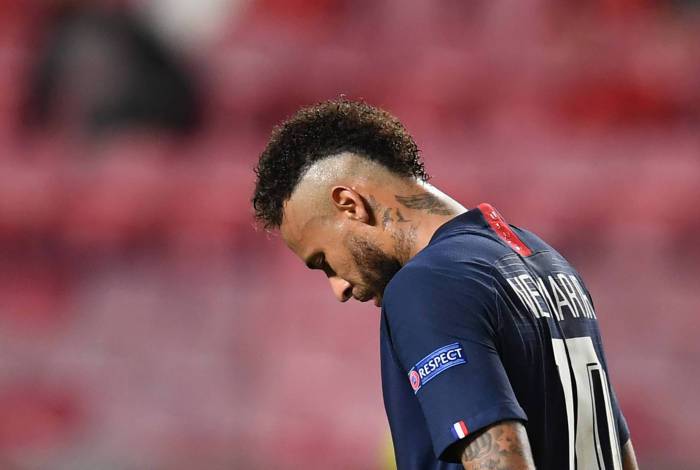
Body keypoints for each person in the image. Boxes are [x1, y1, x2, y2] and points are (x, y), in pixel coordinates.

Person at [252, 99, 639, 470]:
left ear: (350, 204)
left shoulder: (427, 284)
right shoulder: (550, 264)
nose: (339, 289)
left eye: (324, 262)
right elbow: (617, 452)